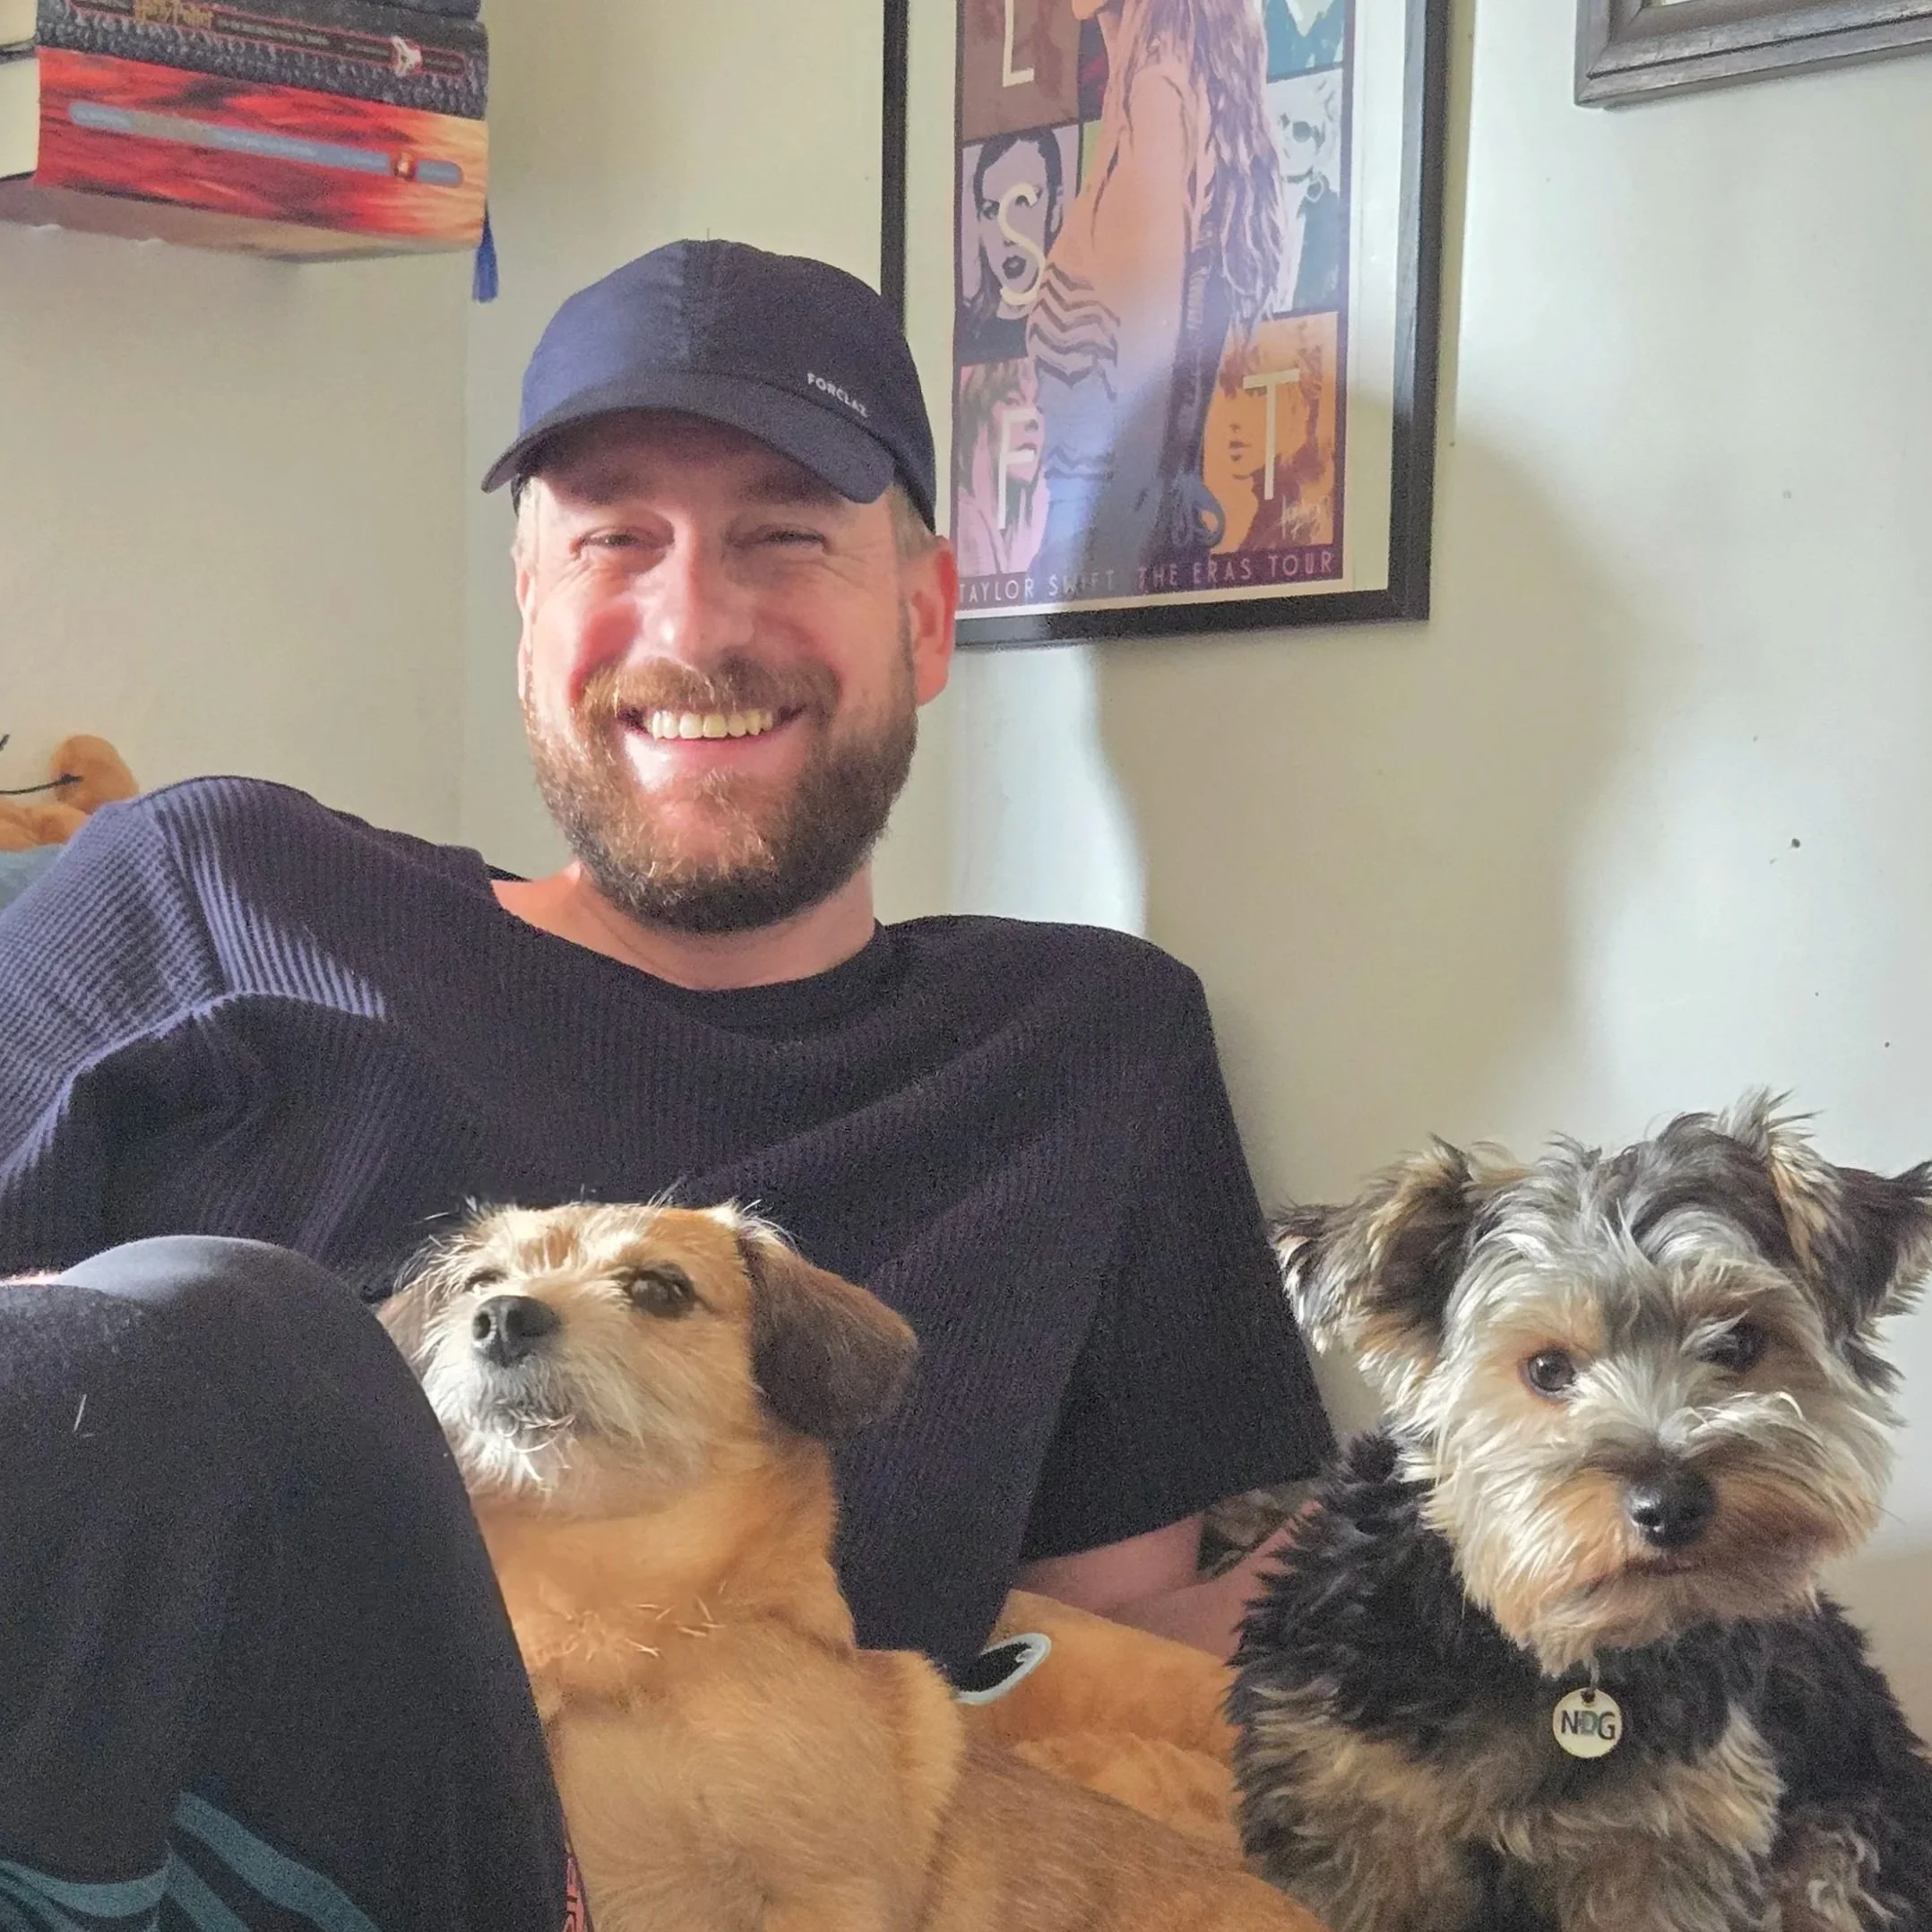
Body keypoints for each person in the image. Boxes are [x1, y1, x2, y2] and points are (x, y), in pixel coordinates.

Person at [0, 239, 1330, 1924]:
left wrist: (1558, 1520)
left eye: (784, 534)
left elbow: (1101, 1673)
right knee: (216, 1328)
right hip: (119, 1815)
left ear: (924, 617)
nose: (693, 625)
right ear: (528, 611)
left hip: (668, 1866)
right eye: (615, 539)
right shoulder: (210, 886)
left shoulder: (1084, 1052)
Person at [1027, 0, 1281, 589]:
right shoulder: (1170, 89)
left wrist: (1101, 571)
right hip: (1129, 542)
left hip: (1113, 546)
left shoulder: (1156, 98)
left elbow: (1149, 382)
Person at [956, 128, 1066, 366]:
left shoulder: (1083, 327)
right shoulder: (965, 333)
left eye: (1023, 201)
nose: (1007, 234)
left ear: (1056, 206)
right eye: (991, 210)